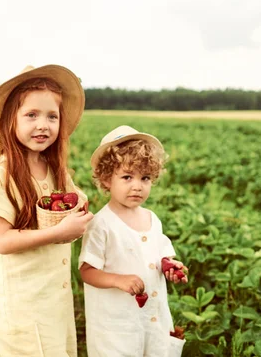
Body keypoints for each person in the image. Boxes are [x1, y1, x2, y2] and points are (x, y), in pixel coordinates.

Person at [0, 64, 94, 356]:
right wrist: (59, 232)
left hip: (54, 299)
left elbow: (78, 202)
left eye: (51, 116)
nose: (43, 125)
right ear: (10, 120)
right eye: (31, 115)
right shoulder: (2, 173)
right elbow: (3, 241)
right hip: (22, 307)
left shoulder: (55, 169)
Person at [78, 125, 187, 357]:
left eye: (145, 178)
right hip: (118, 326)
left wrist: (170, 266)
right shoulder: (101, 224)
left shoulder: (152, 219)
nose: (137, 186)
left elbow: (160, 256)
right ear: (107, 179)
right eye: (127, 177)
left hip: (152, 317)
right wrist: (118, 280)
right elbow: (87, 271)